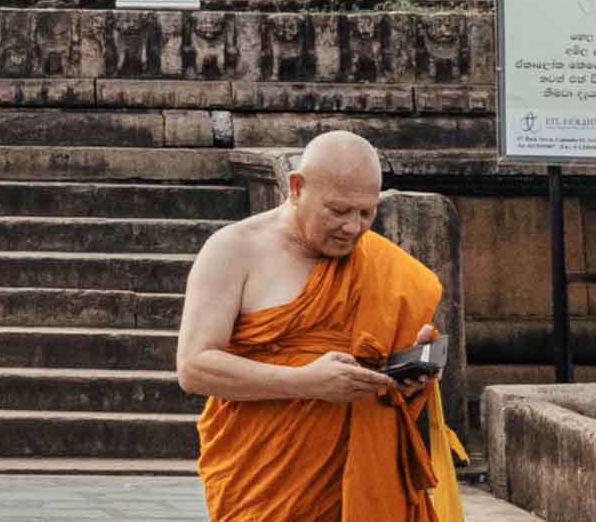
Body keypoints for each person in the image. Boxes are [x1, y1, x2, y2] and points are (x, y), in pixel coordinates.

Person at [180, 130, 445, 521]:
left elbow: (383, 378)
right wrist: (304, 381)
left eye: (365, 213)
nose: (353, 228)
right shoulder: (235, 250)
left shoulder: (380, 263)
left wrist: (405, 377)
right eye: (338, 211)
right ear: (296, 187)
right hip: (266, 479)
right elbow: (194, 367)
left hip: (362, 483)